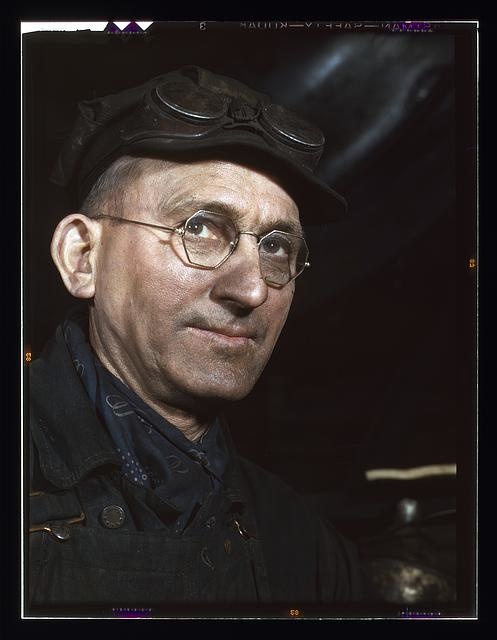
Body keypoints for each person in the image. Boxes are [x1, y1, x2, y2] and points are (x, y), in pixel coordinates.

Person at [28, 65, 364, 613]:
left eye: (276, 246)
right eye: (201, 228)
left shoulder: (305, 547)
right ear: (83, 257)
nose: (252, 288)